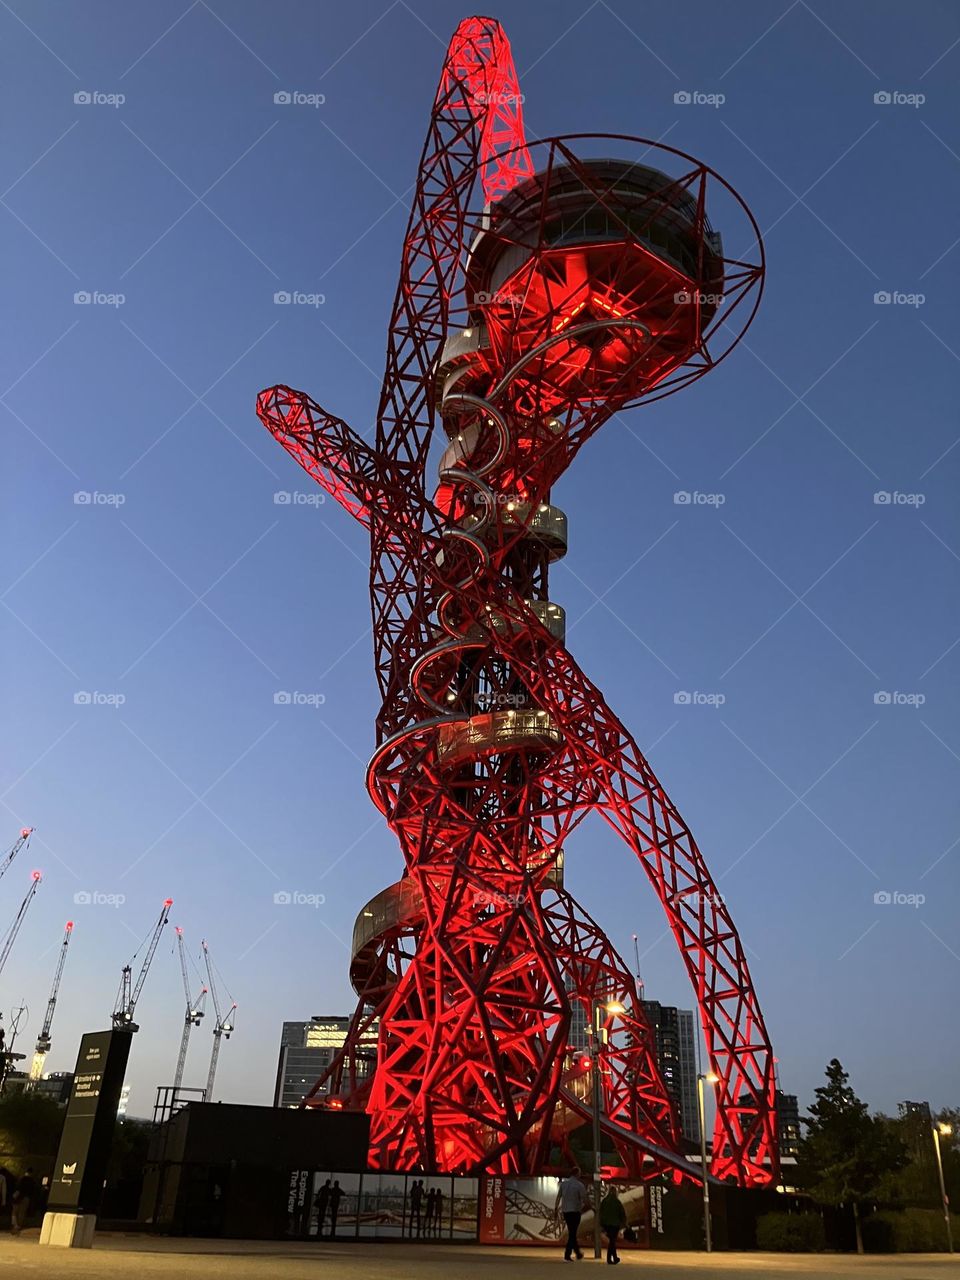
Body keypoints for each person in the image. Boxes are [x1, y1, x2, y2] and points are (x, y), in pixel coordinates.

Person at [556, 1167, 589, 1261]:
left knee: (572, 1232)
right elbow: (584, 1198)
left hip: (566, 1211)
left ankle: (578, 1253)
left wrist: (555, 1208)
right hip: (575, 1211)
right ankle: (568, 1254)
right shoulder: (579, 1185)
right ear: (577, 1174)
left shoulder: (564, 1184)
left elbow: (558, 1197)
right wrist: (591, 1207)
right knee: (573, 1233)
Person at [599, 1184, 627, 1265]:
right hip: (614, 1224)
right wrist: (624, 1223)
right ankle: (610, 1259)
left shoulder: (604, 1201)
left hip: (606, 1224)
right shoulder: (617, 1201)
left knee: (612, 1241)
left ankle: (614, 1258)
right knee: (612, 1241)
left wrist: (602, 1224)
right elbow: (622, 1213)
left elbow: (601, 1212)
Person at [11, 1167, 37, 1235]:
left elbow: (17, 1188)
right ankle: (19, 1226)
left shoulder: (21, 1179)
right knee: (22, 1213)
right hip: (26, 1198)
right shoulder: (32, 1181)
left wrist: (14, 1196)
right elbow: (33, 1191)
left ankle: (15, 1225)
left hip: (18, 1197)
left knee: (14, 1212)